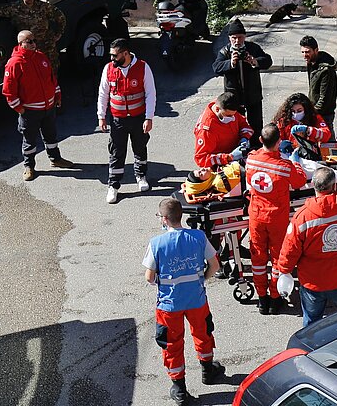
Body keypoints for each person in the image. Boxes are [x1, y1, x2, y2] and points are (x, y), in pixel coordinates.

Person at [143, 198, 226, 406]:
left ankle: (179, 388)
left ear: (164, 219)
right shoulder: (198, 237)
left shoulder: (157, 243)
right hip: (196, 299)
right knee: (203, 332)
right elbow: (214, 264)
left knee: (171, 344)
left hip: (169, 305)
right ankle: (207, 370)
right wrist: (202, 279)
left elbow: (149, 277)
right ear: (181, 216)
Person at [277, 167, 337, 326]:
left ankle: (312, 348)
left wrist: (284, 271)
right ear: (335, 186)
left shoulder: (302, 217)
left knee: (312, 324)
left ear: (313, 185)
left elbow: (289, 249)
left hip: (313, 281)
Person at [245, 124, 307, 315]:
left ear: (261, 140)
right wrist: (294, 161)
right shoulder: (284, 166)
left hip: (256, 216)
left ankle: (262, 298)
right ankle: (275, 297)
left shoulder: (251, 160)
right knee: (278, 258)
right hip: (276, 219)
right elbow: (300, 182)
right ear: (279, 142)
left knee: (257, 258)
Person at [2, 30, 73, 181]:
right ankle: (29, 166)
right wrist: (19, 108)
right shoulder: (15, 63)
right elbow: (8, 91)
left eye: (34, 40)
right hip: (30, 112)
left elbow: (51, 79)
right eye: (30, 41)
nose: (34, 44)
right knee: (29, 141)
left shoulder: (41, 57)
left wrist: (57, 95)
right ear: (21, 44)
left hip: (48, 108)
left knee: (51, 136)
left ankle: (55, 159)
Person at [97, 38, 156, 204]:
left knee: (140, 147)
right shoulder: (109, 69)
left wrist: (149, 117)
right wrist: (101, 116)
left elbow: (151, 94)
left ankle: (141, 176)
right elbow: (103, 94)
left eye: (115, 55)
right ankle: (113, 186)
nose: (112, 59)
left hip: (138, 119)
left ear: (125, 53)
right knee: (116, 152)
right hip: (117, 120)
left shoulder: (143, 67)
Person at [212, 18, 272, 146]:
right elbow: (216, 67)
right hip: (233, 97)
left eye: (240, 37)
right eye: (234, 38)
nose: (237, 41)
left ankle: (256, 146)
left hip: (253, 94)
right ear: (229, 38)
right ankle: (238, 148)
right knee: (235, 125)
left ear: (244, 36)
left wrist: (255, 61)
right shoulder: (225, 51)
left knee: (256, 124)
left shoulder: (253, 48)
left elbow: (268, 61)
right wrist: (230, 63)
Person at [193, 91, 254, 168]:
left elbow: (242, 123)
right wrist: (228, 157)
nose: (232, 118)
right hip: (222, 164)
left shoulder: (225, 106)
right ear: (217, 109)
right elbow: (201, 159)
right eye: (228, 115)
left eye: (233, 115)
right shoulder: (207, 130)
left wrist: (244, 137)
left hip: (234, 152)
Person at [300, 35, 337, 138]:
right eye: (302, 52)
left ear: (316, 50)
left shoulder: (326, 70)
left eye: (307, 52)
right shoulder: (311, 62)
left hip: (324, 114)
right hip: (315, 110)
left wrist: (311, 113)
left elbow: (324, 99)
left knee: (328, 141)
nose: (304, 55)